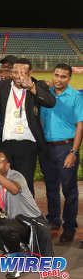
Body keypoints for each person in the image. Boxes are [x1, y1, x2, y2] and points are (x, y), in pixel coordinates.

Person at [0, 150, 53, 279]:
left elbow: (14, 189)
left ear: (7, 166)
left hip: (34, 224)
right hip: (16, 224)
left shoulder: (16, 175)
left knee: (6, 227)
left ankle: (19, 258)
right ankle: (20, 249)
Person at [0, 57, 56, 195]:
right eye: (15, 72)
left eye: (22, 72)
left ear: (30, 73)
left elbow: (50, 102)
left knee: (25, 182)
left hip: (28, 142)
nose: (18, 76)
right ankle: (7, 215)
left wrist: (32, 88)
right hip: (5, 142)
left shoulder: (38, 85)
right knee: (4, 181)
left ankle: (28, 215)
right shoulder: (1, 86)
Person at [39, 63, 83, 243]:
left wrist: (74, 151)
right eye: (56, 75)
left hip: (66, 147)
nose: (59, 79)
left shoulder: (75, 96)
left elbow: (80, 125)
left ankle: (70, 226)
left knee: (69, 189)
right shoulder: (45, 94)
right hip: (47, 148)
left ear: (69, 78)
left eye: (63, 76)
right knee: (51, 187)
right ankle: (54, 220)